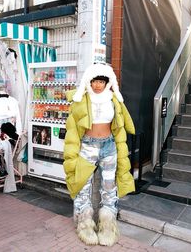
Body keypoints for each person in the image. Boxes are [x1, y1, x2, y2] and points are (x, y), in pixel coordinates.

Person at [64, 63, 135, 246]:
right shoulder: (80, 100)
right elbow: (72, 130)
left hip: (109, 146)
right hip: (87, 146)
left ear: (108, 82)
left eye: (101, 81)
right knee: (82, 186)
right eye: (94, 81)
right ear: (89, 81)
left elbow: (120, 127)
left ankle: (108, 227)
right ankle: (85, 225)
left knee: (110, 188)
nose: (97, 85)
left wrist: (121, 151)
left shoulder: (114, 99)